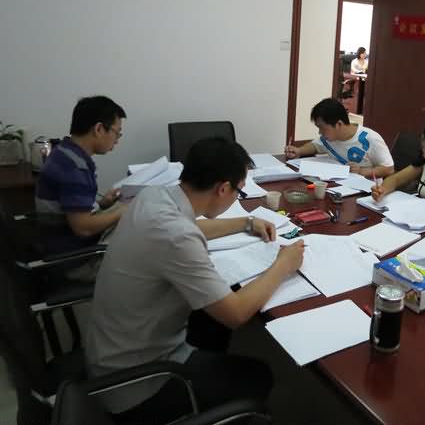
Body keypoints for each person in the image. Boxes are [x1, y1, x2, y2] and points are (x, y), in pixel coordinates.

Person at [86, 137, 305, 423]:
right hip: (136, 385)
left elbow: (191, 227)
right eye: (238, 191)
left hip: (115, 347)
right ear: (223, 188)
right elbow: (236, 314)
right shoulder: (177, 236)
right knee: (258, 374)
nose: (235, 197)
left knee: (211, 322)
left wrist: (246, 222)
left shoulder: (154, 197)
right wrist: (283, 265)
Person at [35, 96, 127, 252]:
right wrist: (123, 211)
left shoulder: (63, 151)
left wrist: (102, 204)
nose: (117, 140)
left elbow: (71, 208)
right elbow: (83, 228)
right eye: (117, 133)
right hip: (74, 255)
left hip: (60, 239)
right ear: (99, 129)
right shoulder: (74, 167)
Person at [284, 98, 394, 178]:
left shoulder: (370, 138)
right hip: (338, 184)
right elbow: (315, 146)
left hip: (365, 190)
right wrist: (299, 150)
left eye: (322, 128)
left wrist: (361, 171)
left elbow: (389, 169)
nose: (320, 132)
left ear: (339, 124)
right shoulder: (330, 138)